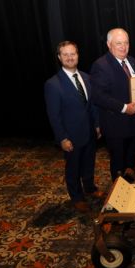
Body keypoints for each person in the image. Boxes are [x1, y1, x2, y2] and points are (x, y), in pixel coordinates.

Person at [44, 41, 103, 213]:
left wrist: (97, 125)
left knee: (89, 163)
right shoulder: (53, 84)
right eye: (66, 54)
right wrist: (62, 138)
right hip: (71, 136)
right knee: (73, 168)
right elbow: (54, 115)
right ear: (59, 57)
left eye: (73, 54)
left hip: (90, 132)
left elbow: (92, 105)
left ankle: (90, 188)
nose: (70, 57)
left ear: (78, 55)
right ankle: (76, 197)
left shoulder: (86, 77)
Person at [90, 28, 135, 183]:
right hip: (116, 126)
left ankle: (129, 191)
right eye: (118, 43)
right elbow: (99, 97)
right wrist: (125, 107)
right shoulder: (100, 65)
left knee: (131, 163)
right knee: (118, 165)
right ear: (109, 44)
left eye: (126, 43)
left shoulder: (132, 61)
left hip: (134, 123)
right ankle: (118, 199)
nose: (123, 46)